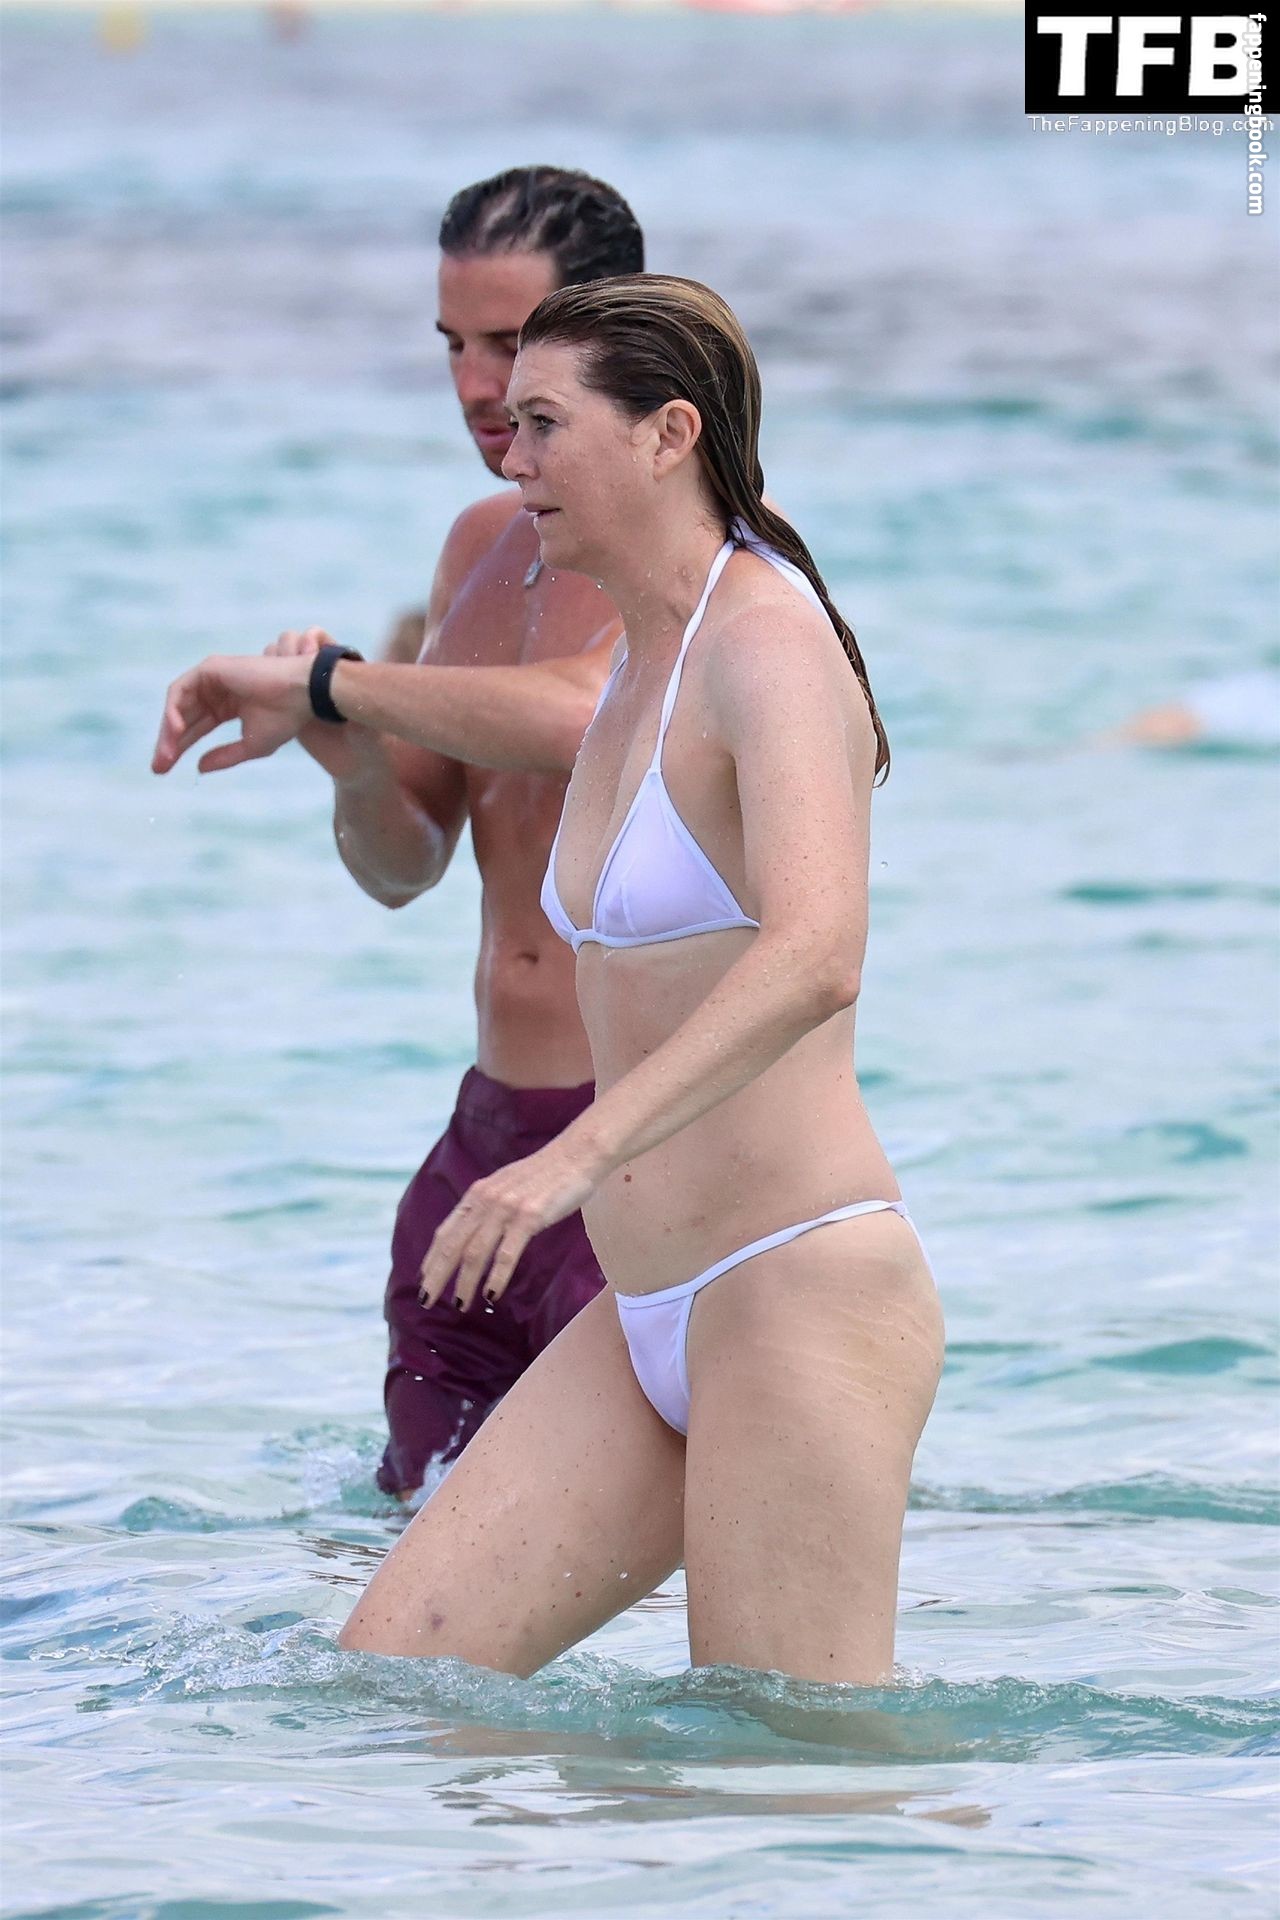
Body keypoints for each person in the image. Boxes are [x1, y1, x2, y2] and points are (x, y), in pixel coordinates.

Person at [332, 274, 946, 1686]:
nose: (510, 455)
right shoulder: (638, 662)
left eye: (546, 423)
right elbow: (420, 830)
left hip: (791, 1287)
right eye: (511, 423)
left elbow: (817, 952)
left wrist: (570, 1157)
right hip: (645, 1301)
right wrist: (337, 719)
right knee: (400, 1685)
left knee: (792, 1767)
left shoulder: (768, 641)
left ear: (670, 435)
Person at [153, 167, 645, 1500]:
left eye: (510, 344)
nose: (478, 387)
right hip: (482, 1149)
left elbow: (583, 715)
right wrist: (352, 757)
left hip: (631, 1151)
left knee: (614, 1565)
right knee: (405, 1571)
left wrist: (337, 686)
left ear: (612, 335)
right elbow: (401, 867)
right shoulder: (481, 543)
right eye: (454, 347)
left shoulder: (702, 547)